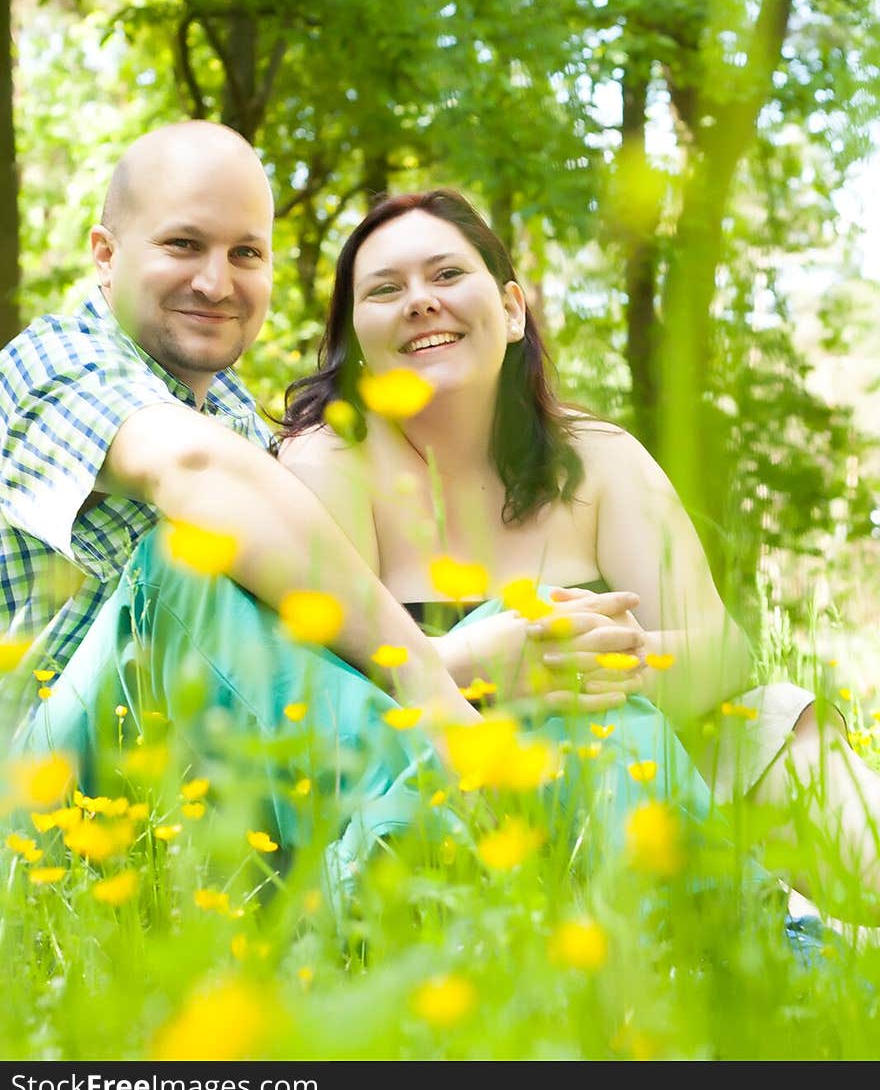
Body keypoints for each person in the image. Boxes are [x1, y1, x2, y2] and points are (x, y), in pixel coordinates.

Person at [275, 188, 880, 920]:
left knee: (778, 726)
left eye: (445, 275)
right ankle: (784, 933)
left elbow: (721, 653)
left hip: (650, 746)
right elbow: (318, 696)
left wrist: (577, 660)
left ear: (510, 310)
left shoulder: (595, 456)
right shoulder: (328, 465)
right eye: (384, 289)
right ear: (356, 339)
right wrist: (492, 666)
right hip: (448, 778)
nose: (419, 301)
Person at [0, 123, 486, 890]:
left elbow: (285, 636)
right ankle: (489, 826)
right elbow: (193, 473)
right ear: (105, 253)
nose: (216, 282)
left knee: (507, 626)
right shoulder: (48, 362)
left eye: (244, 253)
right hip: (35, 817)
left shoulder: (229, 410)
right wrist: (433, 688)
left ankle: (693, 890)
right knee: (180, 561)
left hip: (180, 789)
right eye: (184, 244)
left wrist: (469, 659)